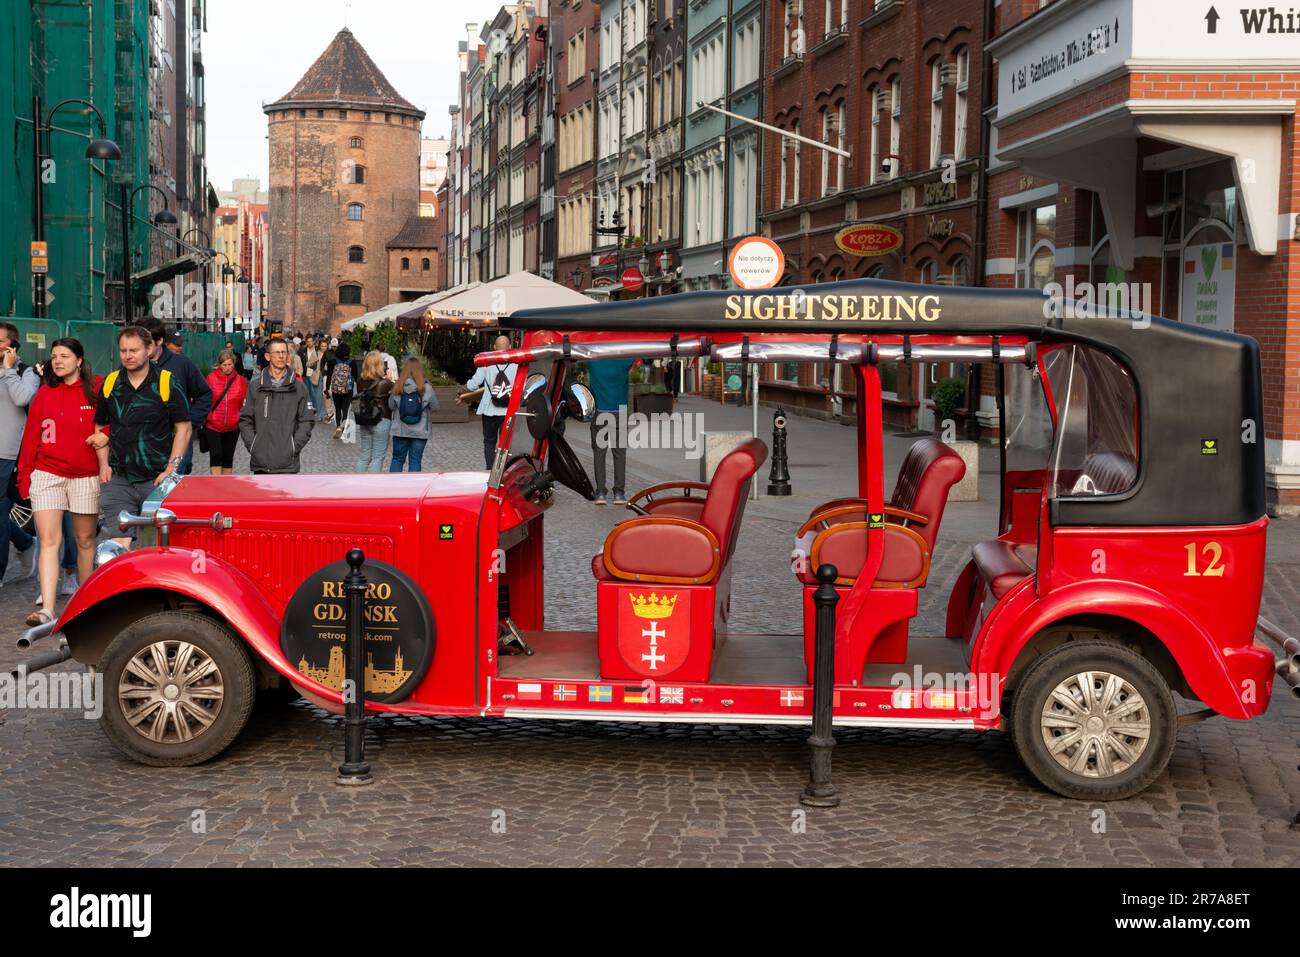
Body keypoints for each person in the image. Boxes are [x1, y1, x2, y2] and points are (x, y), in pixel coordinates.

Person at [16, 338, 100, 625]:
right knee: (50, 540)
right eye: (54, 356)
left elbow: (110, 425)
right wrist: (25, 476)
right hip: (47, 474)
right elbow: (30, 438)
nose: (58, 361)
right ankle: (47, 608)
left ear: (79, 360)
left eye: (65, 356)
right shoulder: (44, 394)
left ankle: (86, 605)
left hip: (85, 477)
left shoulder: (95, 391)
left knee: (85, 540)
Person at [92, 326, 191, 542]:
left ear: (149, 349)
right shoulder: (110, 383)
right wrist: (104, 465)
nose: (127, 356)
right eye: (123, 350)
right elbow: (100, 427)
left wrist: (171, 469)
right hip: (118, 480)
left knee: (155, 545)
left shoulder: (167, 382)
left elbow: (184, 428)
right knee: (119, 543)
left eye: (134, 350)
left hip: (155, 480)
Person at [140, 319, 212, 476]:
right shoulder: (131, 366)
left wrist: (190, 422)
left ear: (159, 341)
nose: (141, 348)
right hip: (143, 444)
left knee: (174, 489)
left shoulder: (181, 364)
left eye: (147, 342)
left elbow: (204, 394)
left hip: (176, 441)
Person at [238, 338, 314, 474]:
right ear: (267, 356)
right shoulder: (256, 386)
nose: (281, 356)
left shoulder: (299, 387)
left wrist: (293, 447)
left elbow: (307, 420)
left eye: (284, 352)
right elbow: (245, 420)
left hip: (288, 464)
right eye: (277, 352)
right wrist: (254, 445)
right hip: (262, 463)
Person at [0, 321, 39, 584]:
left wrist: (8, 370)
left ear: (13, 345)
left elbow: (22, 398)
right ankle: (25, 542)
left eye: (1, 341)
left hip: (9, 454)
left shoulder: (27, 372)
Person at [461, 335, 517, 469]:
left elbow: (475, 383)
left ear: (494, 348)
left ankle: (489, 469)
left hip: (489, 409)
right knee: (506, 443)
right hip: (509, 410)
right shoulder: (516, 364)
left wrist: (463, 389)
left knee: (489, 441)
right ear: (510, 348)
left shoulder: (487, 362)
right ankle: (504, 470)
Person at [586, 357, 636, 505]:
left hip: (599, 412)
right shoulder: (625, 361)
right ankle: (619, 493)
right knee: (619, 454)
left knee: (599, 453)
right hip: (619, 412)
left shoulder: (593, 360)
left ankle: (601, 492)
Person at [388, 357, 438, 472]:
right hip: (420, 431)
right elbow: (435, 407)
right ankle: (414, 488)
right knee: (415, 460)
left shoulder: (398, 387)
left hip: (400, 430)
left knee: (397, 459)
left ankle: (392, 487)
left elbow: (391, 406)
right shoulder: (427, 388)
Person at [203, 349, 249, 476]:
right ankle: (216, 485)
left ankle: (226, 485)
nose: (227, 368)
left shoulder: (240, 380)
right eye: (224, 365)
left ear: (234, 364)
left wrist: (240, 417)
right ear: (219, 365)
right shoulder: (211, 379)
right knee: (216, 455)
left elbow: (245, 402)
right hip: (213, 425)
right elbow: (204, 400)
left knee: (228, 457)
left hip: (233, 426)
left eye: (230, 364)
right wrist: (209, 416)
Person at [354, 350, 394, 473]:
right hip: (381, 420)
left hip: (365, 419)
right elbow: (394, 398)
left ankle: (356, 483)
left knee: (364, 456)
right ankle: (372, 486)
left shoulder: (360, 381)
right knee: (378, 456)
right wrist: (390, 379)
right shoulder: (385, 383)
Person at [328, 341, 356, 438]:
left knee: (337, 408)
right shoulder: (352, 362)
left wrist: (327, 389)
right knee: (345, 408)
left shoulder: (333, 361)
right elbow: (355, 377)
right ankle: (343, 428)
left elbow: (329, 376)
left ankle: (338, 426)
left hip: (336, 389)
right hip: (348, 389)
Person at [303, 334, 326, 420]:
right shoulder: (303, 351)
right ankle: (313, 411)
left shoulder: (319, 352)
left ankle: (320, 413)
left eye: (310, 341)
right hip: (306, 375)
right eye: (308, 341)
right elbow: (306, 363)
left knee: (318, 395)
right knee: (310, 396)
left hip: (317, 376)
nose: (309, 343)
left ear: (313, 342)